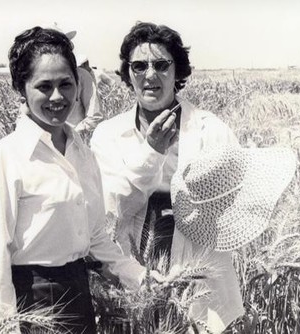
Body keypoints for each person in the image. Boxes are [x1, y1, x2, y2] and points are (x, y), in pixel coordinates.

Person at [0, 27, 159, 334]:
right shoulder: (6, 156)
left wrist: (140, 276)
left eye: (66, 84)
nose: (57, 97)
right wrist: (4, 327)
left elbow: (96, 237)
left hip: (78, 297)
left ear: (79, 84)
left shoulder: (83, 154)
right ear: (21, 89)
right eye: (43, 86)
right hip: (32, 303)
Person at [90, 22, 244, 332]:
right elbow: (110, 210)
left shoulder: (211, 129)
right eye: (138, 66)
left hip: (200, 273)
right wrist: (152, 152)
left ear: (178, 72)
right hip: (134, 268)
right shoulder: (107, 135)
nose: (150, 75)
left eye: (161, 65)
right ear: (127, 73)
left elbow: (236, 201)